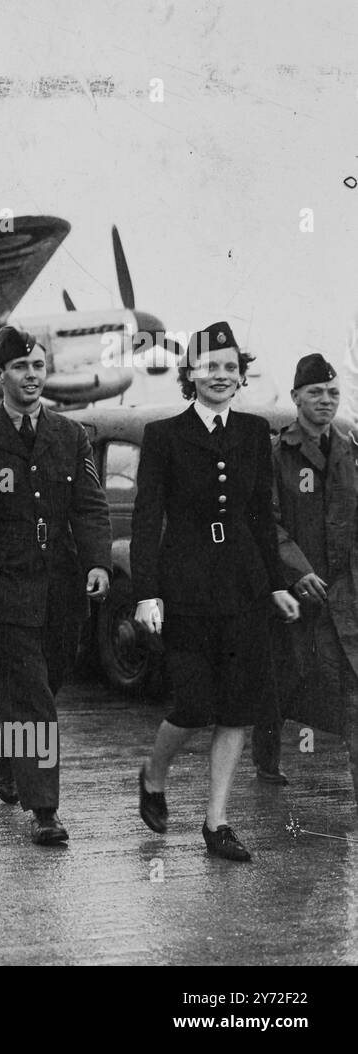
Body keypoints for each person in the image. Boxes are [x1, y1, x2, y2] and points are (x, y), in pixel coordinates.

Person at [133, 322, 300, 862]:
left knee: (236, 708)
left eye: (231, 367)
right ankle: (154, 773)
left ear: (240, 375)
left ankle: (216, 823)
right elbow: (146, 519)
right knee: (193, 703)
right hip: (186, 582)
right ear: (190, 374)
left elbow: (259, 515)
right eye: (211, 366)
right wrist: (146, 592)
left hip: (243, 582)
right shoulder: (163, 436)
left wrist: (276, 583)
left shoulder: (254, 433)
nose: (222, 376)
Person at [0, 325, 112, 845]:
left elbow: (89, 505)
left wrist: (98, 563)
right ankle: (45, 808)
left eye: (38, 367)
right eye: (21, 368)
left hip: (63, 583)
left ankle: (9, 752)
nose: (31, 376)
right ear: (0, 374)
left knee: (50, 682)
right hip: (6, 584)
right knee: (34, 699)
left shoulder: (71, 436)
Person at [260, 353, 358, 806]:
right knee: (285, 676)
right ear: (296, 396)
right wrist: (298, 572)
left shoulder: (350, 451)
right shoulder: (279, 454)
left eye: (333, 393)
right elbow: (269, 523)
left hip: (344, 592)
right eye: (315, 392)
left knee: (352, 685)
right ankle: (265, 754)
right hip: (296, 591)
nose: (325, 400)